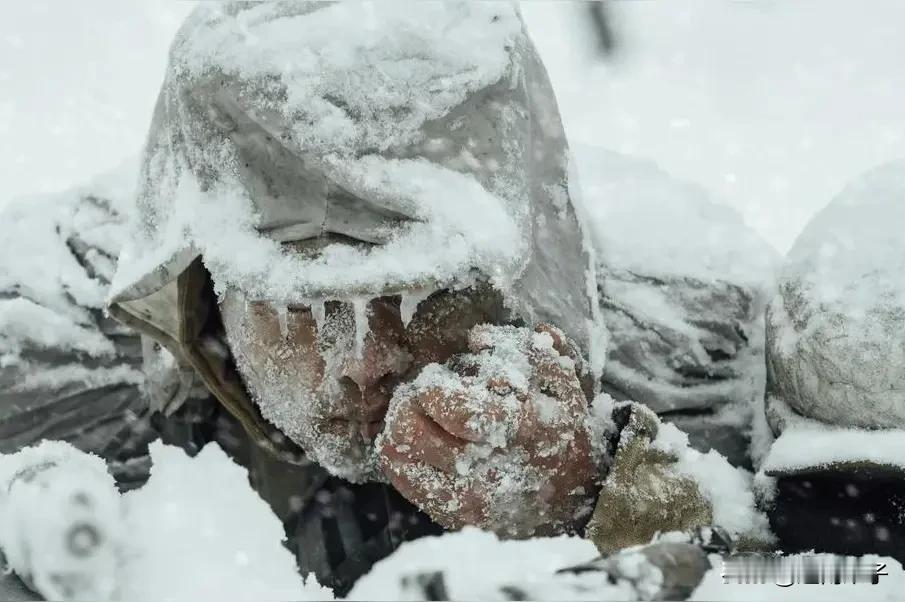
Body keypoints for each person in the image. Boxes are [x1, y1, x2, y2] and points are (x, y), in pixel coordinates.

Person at [1, 2, 764, 597]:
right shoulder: (48, 344)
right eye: (299, 307)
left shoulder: (688, 343)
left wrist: (599, 495)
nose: (361, 364)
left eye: (421, 295)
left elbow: (840, 575)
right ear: (202, 272)